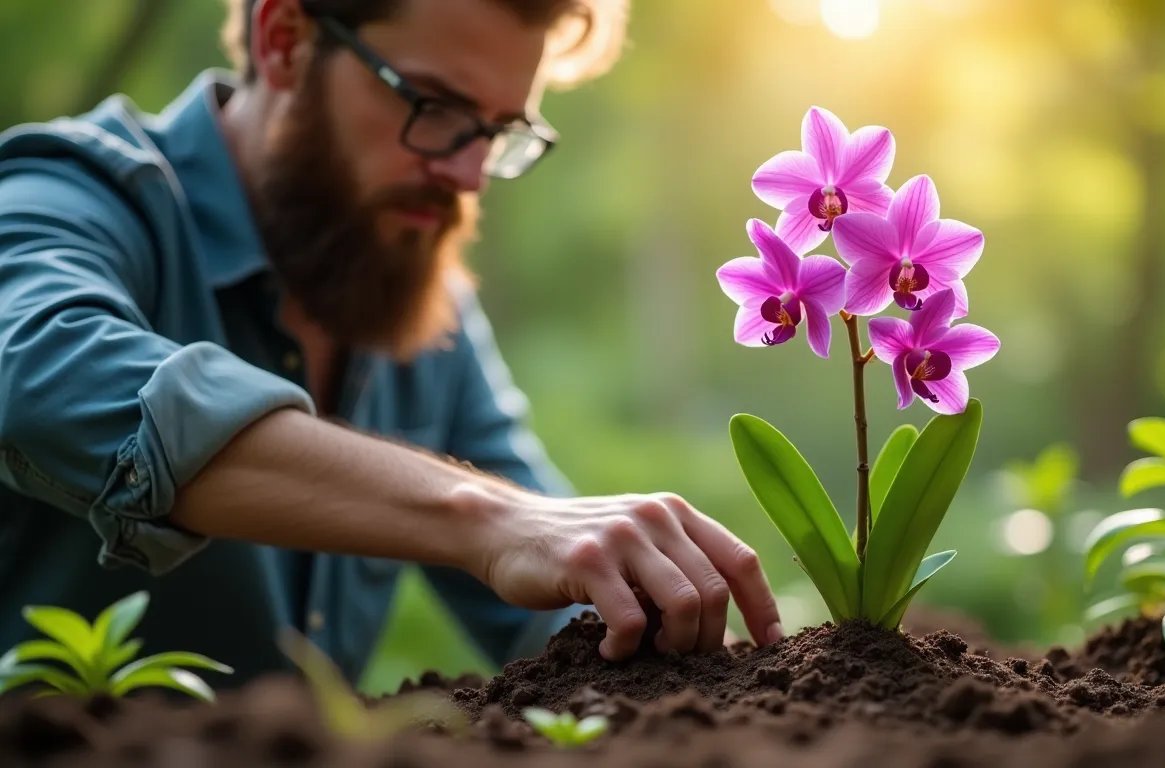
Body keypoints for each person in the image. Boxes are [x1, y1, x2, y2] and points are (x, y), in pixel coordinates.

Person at [0, 0, 781, 686]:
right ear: (284, 38)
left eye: (500, 131)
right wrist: (488, 519)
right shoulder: (67, 198)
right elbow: (39, 374)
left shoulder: (412, 300)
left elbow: (562, 586)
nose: (469, 174)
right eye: (435, 105)